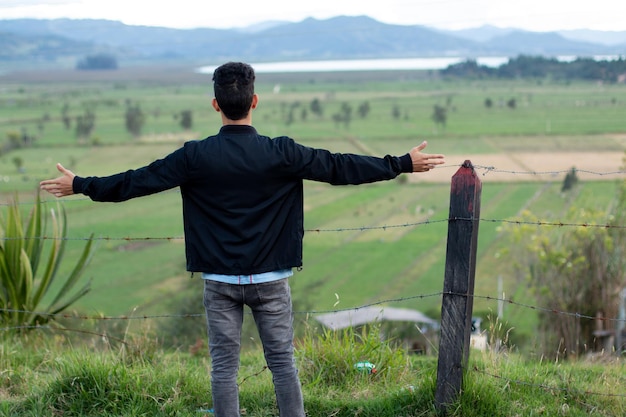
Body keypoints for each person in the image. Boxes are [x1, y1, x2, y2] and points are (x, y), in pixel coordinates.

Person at [40, 61, 445, 417]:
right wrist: (402, 163)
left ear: (215, 104)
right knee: (283, 363)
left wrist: (79, 184)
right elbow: (340, 167)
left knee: (223, 367)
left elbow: (135, 182)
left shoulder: (194, 156)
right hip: (272, 280)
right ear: (255, 102)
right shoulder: (281, 152)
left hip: (219, 281)